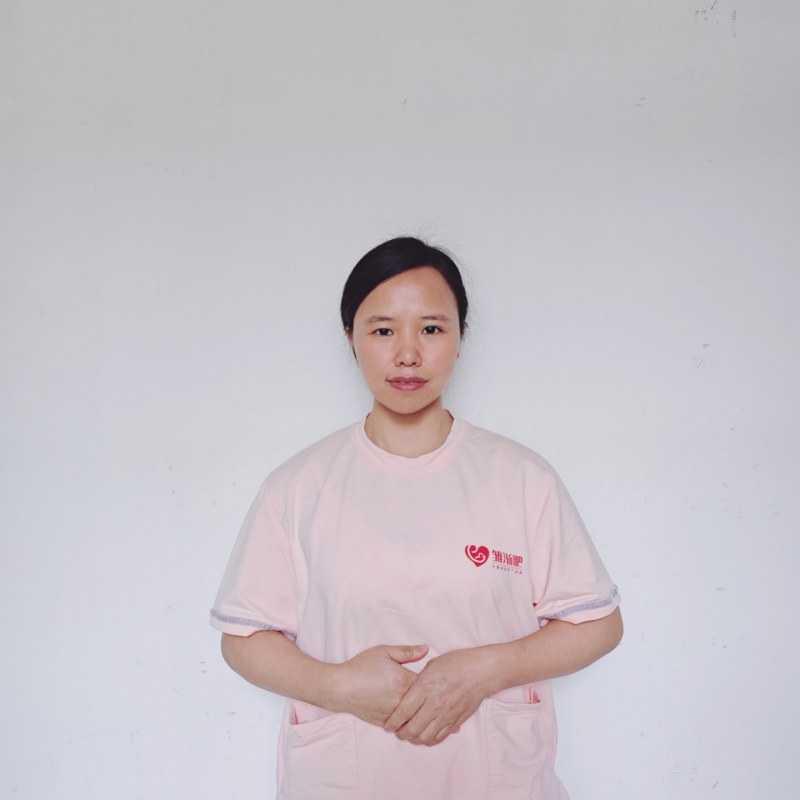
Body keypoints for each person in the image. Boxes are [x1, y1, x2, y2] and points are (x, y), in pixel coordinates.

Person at [208, 235, 624, 799]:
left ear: (460, 337)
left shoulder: (522, 478)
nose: (408, 354)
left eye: (431, 328)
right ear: (350, 339)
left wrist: (484, 670)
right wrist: (338, 686)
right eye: (383, 331)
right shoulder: (298, 487)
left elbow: (599, 625)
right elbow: (244, 639)